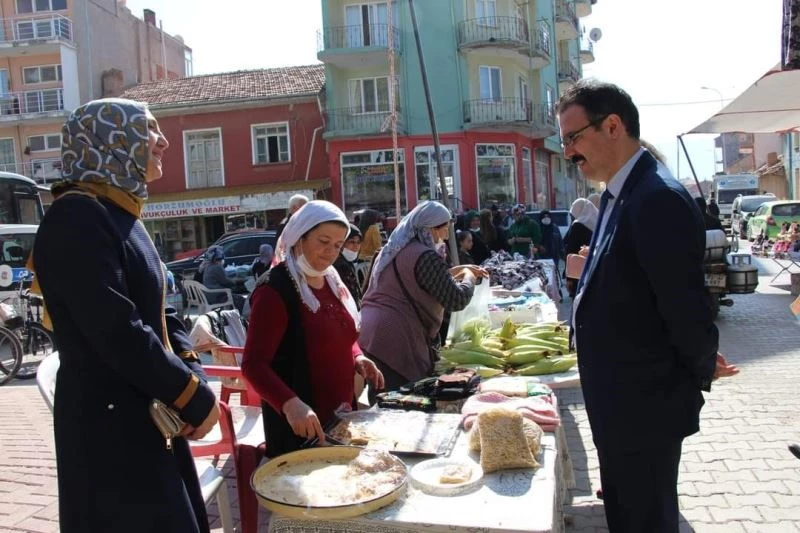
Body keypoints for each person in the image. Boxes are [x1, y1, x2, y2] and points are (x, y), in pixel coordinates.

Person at [31, 99, 220, 533]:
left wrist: (194, 377)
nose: (163, 141)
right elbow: (117, 330)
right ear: (110, 139)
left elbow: (162, 312)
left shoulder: (121, 213)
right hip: (110, 429)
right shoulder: (76, 216)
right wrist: (191, 397)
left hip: (147, 414)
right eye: (148, 128)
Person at [558, 79, 738, 532]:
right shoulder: (620, 193)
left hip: (643, 407)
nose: (568, 152)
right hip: (621, 404)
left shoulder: (657, 197)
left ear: (612, 126)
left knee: (646, 521)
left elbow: (686, 308)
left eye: (573, 137)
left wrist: (701, 362)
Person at [241, 201, 384, 456]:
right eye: (323, 241)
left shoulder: (332, 280)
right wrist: (290, 404)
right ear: (300, 237)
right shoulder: (275, 289)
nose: (331, 251)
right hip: (300, 428)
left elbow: (341, 331)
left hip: (340, 418)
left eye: (338, 245)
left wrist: (357, 356)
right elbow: (253, 365)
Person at [359, 201, 488, 392]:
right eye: (444, 229)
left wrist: (456, 271)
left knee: (382, 395)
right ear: (430, 229)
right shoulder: (424, 255)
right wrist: (469, 276)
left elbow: (419, 280)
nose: (446, 235)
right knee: (397, 400)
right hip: (396, 335)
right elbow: (456, 299)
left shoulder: (397, 248)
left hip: (373, 332)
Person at [563, 198, 598, 298]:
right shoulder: (597, 223)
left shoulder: (577, 225)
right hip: (593, 269)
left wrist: (569, 278)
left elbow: (571, 251)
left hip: (577, 274)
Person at [201, 245, 245, 313]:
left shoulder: (208, 266)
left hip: (209, 295)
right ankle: (241, 316)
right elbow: (226, 282)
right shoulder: (217, 267)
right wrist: (237, 281)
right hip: (216, 296)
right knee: (241, 299)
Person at [333, 223, 364, 309]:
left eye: (358, 242)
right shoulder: (341, 265)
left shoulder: (347, 262)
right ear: (342, 243)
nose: (356, 246)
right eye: (351, 242)